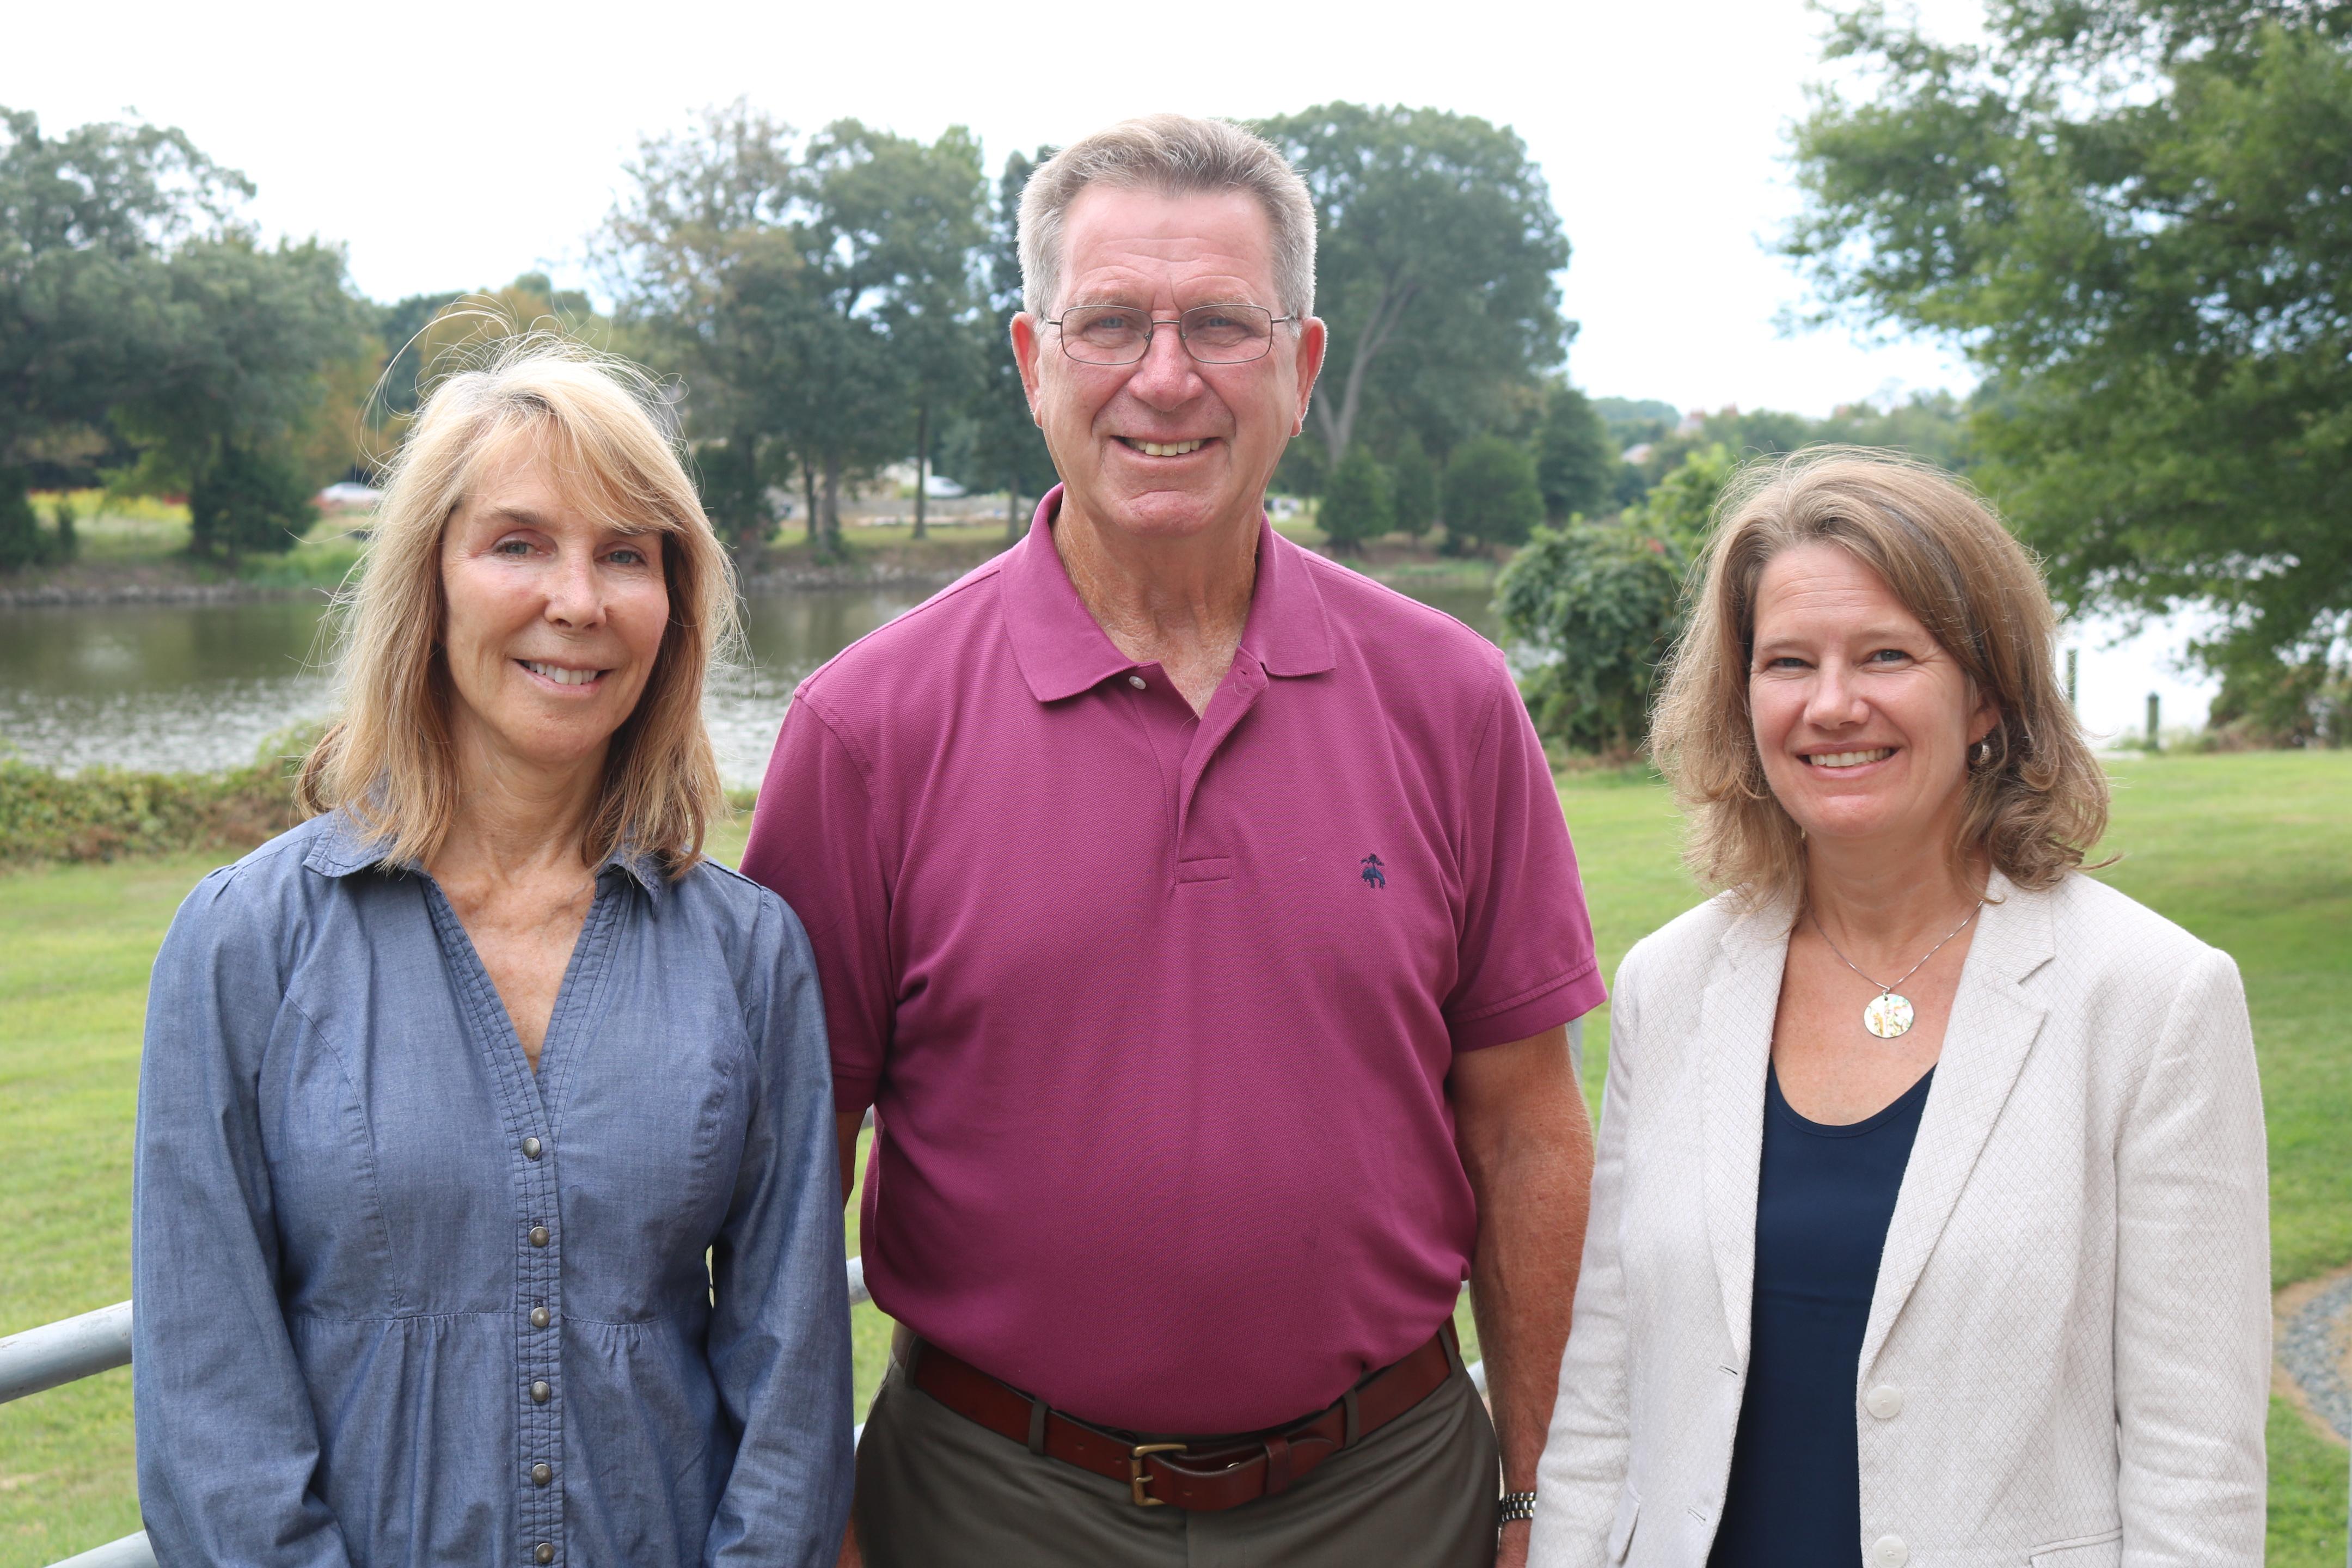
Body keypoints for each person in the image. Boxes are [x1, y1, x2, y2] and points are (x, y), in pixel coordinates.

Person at [742, 115, 1606, 1568]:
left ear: (1300, 365)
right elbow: (790, 1174)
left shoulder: (1451, 700)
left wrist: (1535, 1499)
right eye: (1111, 325)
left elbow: (1527, 1135)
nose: (1165, 375)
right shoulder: (865, 730)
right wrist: (814, 1516)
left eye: (1219, 322)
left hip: (1386, 1499)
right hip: (990, 1505)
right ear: (1032, 362)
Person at [133, 340, 854, 1568]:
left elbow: (790, 1375)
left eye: (626, 554)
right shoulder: (246, 942)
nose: (578, 600)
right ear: (433, 581)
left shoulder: (750, 956)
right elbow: (211, 1401)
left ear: (671, 606)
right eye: (518, 543)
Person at [1528, 451, 2270, 1567]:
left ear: (1985, 695)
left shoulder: (2154, 1000)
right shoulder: (1670, 987)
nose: (1833, 705)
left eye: (1886, 654)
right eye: (1788, 662)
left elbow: (2195, 1470)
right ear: (1743, 700)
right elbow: (1604, 1399)